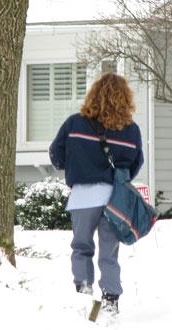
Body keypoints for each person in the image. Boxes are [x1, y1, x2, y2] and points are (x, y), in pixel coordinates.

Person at [48, 73, 144, 315]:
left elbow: (56, 155)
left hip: (82, 197)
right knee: (109, 253)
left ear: (93, 94)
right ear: (126, 99)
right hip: (113, 199)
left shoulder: (74, 124)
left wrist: (75, 164)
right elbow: (135, 163)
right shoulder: (131, 131)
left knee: (81, 247)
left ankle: (84, 294)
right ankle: (110, 301)